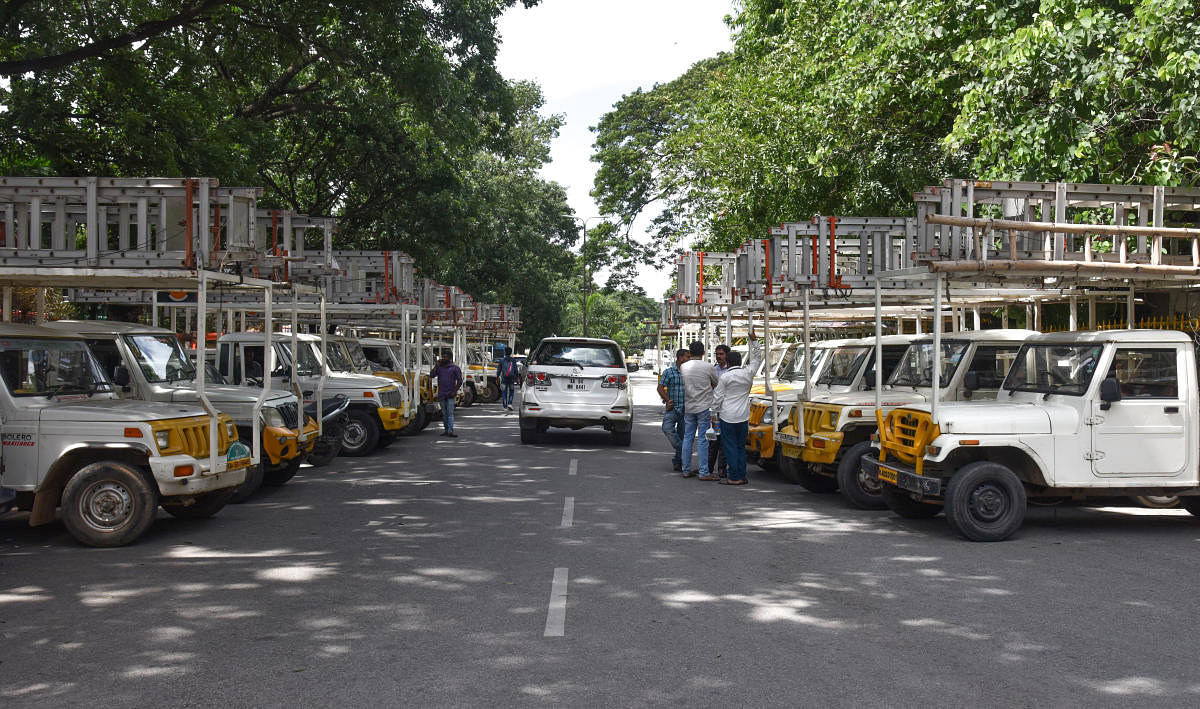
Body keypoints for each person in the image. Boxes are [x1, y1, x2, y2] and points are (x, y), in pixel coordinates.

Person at [712, 329, 762, 485]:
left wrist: (713, 413)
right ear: (740, 362)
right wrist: (754, 342)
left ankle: (734, 477)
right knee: (741, 447)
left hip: (727, 416)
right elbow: (757, 359)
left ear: (727, 362)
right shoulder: (748, 373)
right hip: (743, 416)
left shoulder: (725, 377)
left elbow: (717, 398)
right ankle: (741, 475)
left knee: (730, 447)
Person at [679, 340, 719, 480]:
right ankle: (703, 472)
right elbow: (716, 384)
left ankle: (685, 470)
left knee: (687, 437)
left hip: (689, 406)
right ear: (703, 353)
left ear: (690, 353)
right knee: (703, 439)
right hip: (704, 407)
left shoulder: (683, 367)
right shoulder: (708, 367)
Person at [656, 348, 689, 471]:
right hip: (672, 408)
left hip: (686, 410)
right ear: (681, 358)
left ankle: (678, 462)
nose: (689, 359)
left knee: (682, 434)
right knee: (667, 428)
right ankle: (683, 449)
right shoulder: (669, 372)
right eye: (687, 357)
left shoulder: (690, 373)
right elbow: (660, 388)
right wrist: (667, 399)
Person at [708, 343, 733, 477]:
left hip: (727, 410)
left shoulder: (731, 372)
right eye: (717, 354)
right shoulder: (714, 369)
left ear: (727, 355)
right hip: (714, 411)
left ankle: (722, 469)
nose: (718, 357)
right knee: (712, 439)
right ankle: (709, 469)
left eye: (721, 354)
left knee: (724, 441)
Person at [432, 353, 464, 437]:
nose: (443, 358)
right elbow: (431, 375)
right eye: (443, 357)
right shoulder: (440, 368)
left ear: (449, 358)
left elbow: (460, 381)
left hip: (450, 394)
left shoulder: (455, 368)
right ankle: (446, 430)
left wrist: (454, 391)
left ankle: (450, 430)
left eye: (445, 357)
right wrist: (436, 366)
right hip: (442, 394)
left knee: (450, 413)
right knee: (444, 413)